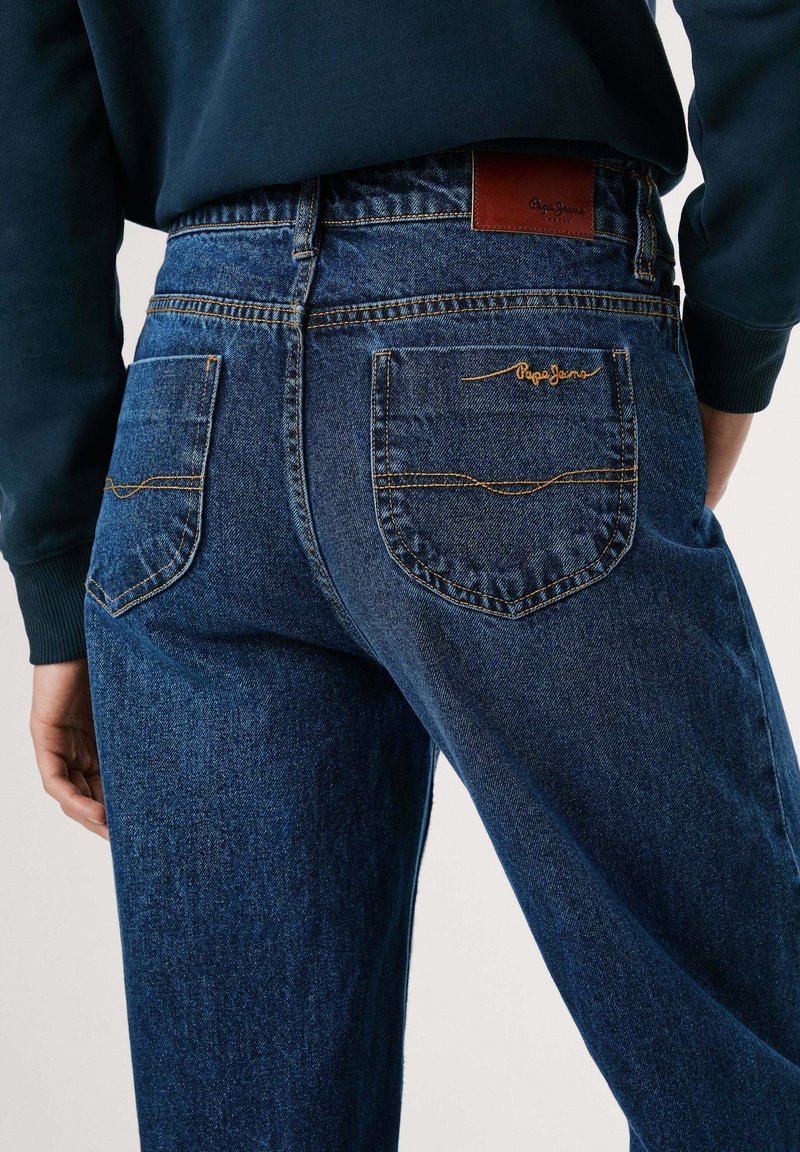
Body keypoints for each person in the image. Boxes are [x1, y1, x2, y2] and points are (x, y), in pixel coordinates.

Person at [2, 2, 799, 1149]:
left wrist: (57, 559)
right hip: (515, 300)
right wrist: (729, 349)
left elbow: (24, 100)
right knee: (749, 1080)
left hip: (199, 391)